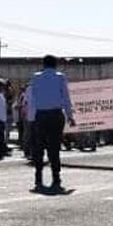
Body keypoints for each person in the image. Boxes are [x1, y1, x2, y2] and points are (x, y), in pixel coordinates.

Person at [27, 55, 75, 194]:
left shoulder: (36, 77)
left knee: (39, 147)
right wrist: (70, 116)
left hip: (40, 115)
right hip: (55, 114)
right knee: (54, 148)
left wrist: (32, 117)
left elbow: (33, 98)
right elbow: (66, 98)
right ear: (55, 65)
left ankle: (38, 178)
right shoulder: (60, 77)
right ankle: (56, 178)